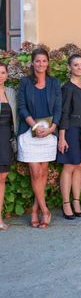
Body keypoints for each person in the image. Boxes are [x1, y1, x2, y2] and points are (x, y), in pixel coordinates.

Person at [16, 48, 62, 229]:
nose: (41, 64)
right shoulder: (25, 82)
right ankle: (45, 210)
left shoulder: (54, 83)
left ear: (48, 63)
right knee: (35, 173)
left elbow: (58, 108)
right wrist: (34, 126)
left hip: (49, 133)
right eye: (38, 61)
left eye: (44, 61)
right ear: (32, 63)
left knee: (43, 173)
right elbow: (21, 107)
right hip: (29, 132)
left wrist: (52, 128)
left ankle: (35, 210)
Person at [56, 54, 81, 220]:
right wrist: (62, 137)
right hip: (70, 131)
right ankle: (66, 203)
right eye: (76, 65)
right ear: (69, 68)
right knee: (69, 167)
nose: (79, 67)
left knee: (80, 166)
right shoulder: (67, 88)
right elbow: (64, 113)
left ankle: (76, 201)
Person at [0, 63, 17, 231]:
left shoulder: (11, 92)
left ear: (7, 75)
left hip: (5, 139)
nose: (0, 75)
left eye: (3, 72)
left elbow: (16, 118)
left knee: (2, 178)